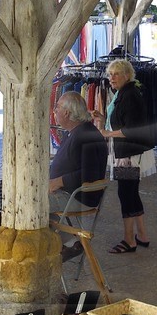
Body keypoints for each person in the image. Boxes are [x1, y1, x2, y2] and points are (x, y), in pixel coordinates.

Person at [94, 58, 157, 254]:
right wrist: (103, 119)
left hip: (130, 153)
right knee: (130, 192)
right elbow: (121, 121)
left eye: (116, 74)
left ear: (127, 76)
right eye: (110, 74)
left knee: (126, 193)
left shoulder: (130, 95)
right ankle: (142, 236)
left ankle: (129, 240)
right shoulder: (123, 93)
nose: (112, 78)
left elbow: (132, 129)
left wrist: (107, 134)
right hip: (128, 152)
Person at [49, 91, 107, 262]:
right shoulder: (77, 131)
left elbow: (90, 174)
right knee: (37, 206)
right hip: (69, 193)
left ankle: (63, 244)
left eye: (57, 107)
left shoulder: (85, 135)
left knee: (30, 204)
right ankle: (69, 242)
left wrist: (58, 181)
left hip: (78, 197)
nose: (55, 111)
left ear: (67, 112)